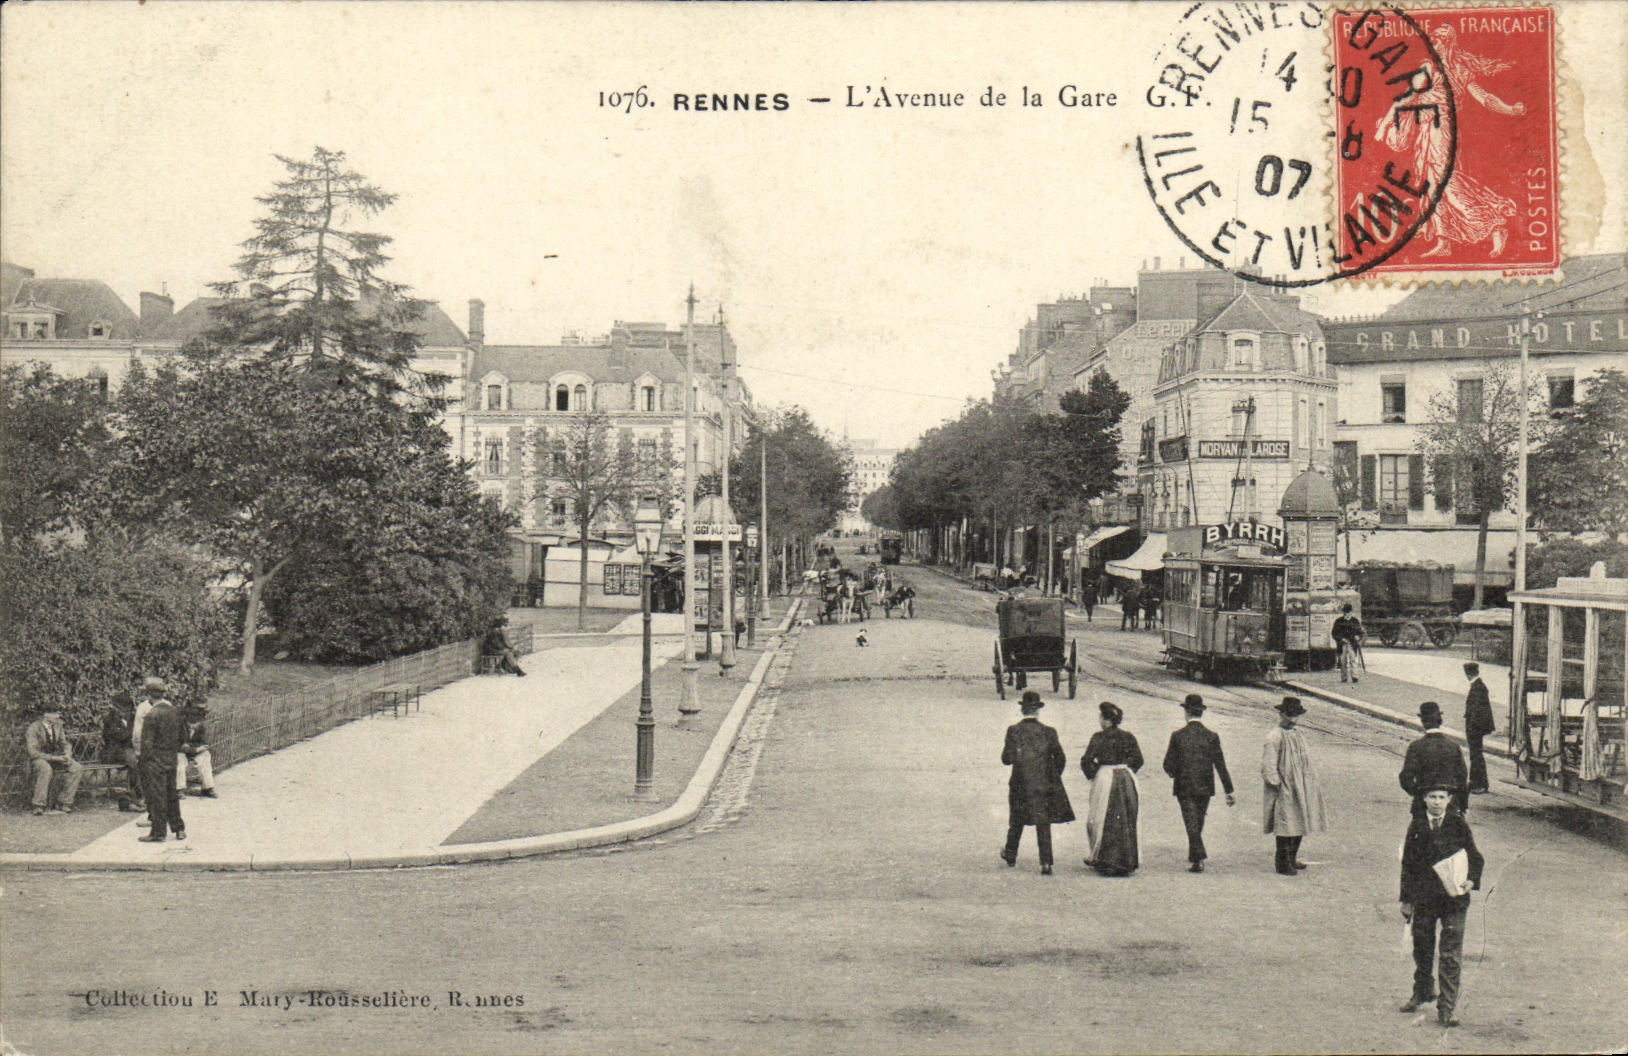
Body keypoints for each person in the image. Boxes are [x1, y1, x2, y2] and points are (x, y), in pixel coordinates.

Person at [1398, 785, 1485, 1028]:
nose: (1437, 802)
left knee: (1450, 954)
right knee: (1423, 947)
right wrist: (1406, 899)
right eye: (1432, 797)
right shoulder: (1417, 825)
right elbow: (1408, 864)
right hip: (1425, 898)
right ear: (1424, 800)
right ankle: (1423, 990)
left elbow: (1475, 856)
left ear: (1449, 800)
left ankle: (1447, 1008)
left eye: (1441, 798)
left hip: (1453, 899)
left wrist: (1471, 880)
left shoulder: (1458, 823)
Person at [1000, 690, 1075, 875]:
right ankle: (1046, 862)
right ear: (1038, 711)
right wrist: (1052, 776)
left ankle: (1010, 854)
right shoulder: (1049, 732)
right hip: (1043, 783)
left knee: (1017, 819)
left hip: (1019, 782)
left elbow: (1006, 759)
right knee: (1043, 822)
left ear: (1022, 710)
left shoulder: (1013, 731)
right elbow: (1060, 758)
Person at [1162, 694, 1235, 873]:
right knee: (1197, 822)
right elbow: (1220, 765)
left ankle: (1198, 857)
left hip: (1184, 786)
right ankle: (1196, 859)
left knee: (1191, 822)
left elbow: (1167, 764)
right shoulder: (1211, 736)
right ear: (1201, 713)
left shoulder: (1178, 736)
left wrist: (1175, 773)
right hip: (1205, 786)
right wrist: (1229, 790)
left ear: (1186, 712)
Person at [1261, 697, 1328, 876]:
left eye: (1295, 716)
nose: (1292, 720)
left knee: (1299, 822)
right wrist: (1276, 783)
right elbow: (1268, 765)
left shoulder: (1298, 734)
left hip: (1301, 785)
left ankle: (1292, 858)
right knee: (1285, 824)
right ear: (1281, 714)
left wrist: (1310, 781)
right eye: (1289, 715)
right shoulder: (1274, 736)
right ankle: (1282, 863)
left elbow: (1305, 759)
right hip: (1285, 787)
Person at [1081, 701, 1143, 876]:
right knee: (1127, 817)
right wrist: (1128, 770)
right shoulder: (1128, 736)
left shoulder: (1098, 737)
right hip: (1126, 777)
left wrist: (1094, 774)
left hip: (1105, 777)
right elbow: (1139, 759)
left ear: (1106, 720)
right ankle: (1127, 861)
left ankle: (1103, 858)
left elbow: (1087, 761)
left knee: (1100, 816)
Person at [1400, 701, 1468, 817]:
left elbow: (1405, 778)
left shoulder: (1416, 746)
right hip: (1449, 806)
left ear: (1423, 722)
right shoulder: (1453, 747)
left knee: (1416, 834)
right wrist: (1462, 805)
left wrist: (1419, 794)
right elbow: (1462, 778)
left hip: (1423, 806)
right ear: (1440, 721)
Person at [136, 684, 185, 842]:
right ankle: (179, 829)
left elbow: (146, 744)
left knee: (157, 796)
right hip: (171, 758)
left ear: (150, 696)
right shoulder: (175, 712)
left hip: (155, 760)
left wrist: (144, 762)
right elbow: (183, 737)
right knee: (172, 794)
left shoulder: (151, 715)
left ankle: (158, 833)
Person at [24, 704, 83, 816]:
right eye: (55, 714)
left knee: (77, 768)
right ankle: (38, 805)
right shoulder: (34, 728)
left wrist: (67, 754)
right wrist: (54, 758)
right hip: (38, 759)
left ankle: (64, 802)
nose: (58, 716)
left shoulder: (58, 726)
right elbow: (33, 752)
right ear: (46, 715)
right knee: (45, 768)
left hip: (56, 758)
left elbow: (64, 743)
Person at [1463, 663, 1496, 794]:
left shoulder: (1478, 687)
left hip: (1475, 727)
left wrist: (1472, 727)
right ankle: (1474, 782)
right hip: (1476, 727)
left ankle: (1480, 784)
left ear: (1468, 673)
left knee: (1476, 755)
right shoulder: (1479, 686)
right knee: (1475, 755)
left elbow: (1476, 710)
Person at [177, 701, 218, 798]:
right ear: (187, 717)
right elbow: (177, 745)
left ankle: (208, 787)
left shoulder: (201, 727)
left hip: (192, 751)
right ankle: (179, 789)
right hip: (179, 752)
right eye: (192, 720)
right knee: (180, 759)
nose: (194, 724)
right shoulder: (178, 726)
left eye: (198, 719)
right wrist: (195, 749)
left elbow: (203, 743)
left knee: (205, 755)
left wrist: (193, 748)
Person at [1331, 603, 1365, 683]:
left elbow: (1360, 632)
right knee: (1343, 661)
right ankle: (1344, 677)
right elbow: (1334, 633)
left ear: (1351, 612)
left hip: (1352, 643)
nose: (1347, 614)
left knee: (1353, 659)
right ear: (1343, 613)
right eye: (1345, 612)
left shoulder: (1355, 621)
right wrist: (1341, 639)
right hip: (1342, 643)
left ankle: (1355, 676)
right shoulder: (1338, 621)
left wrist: (1358, 637)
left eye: (1348, 612)